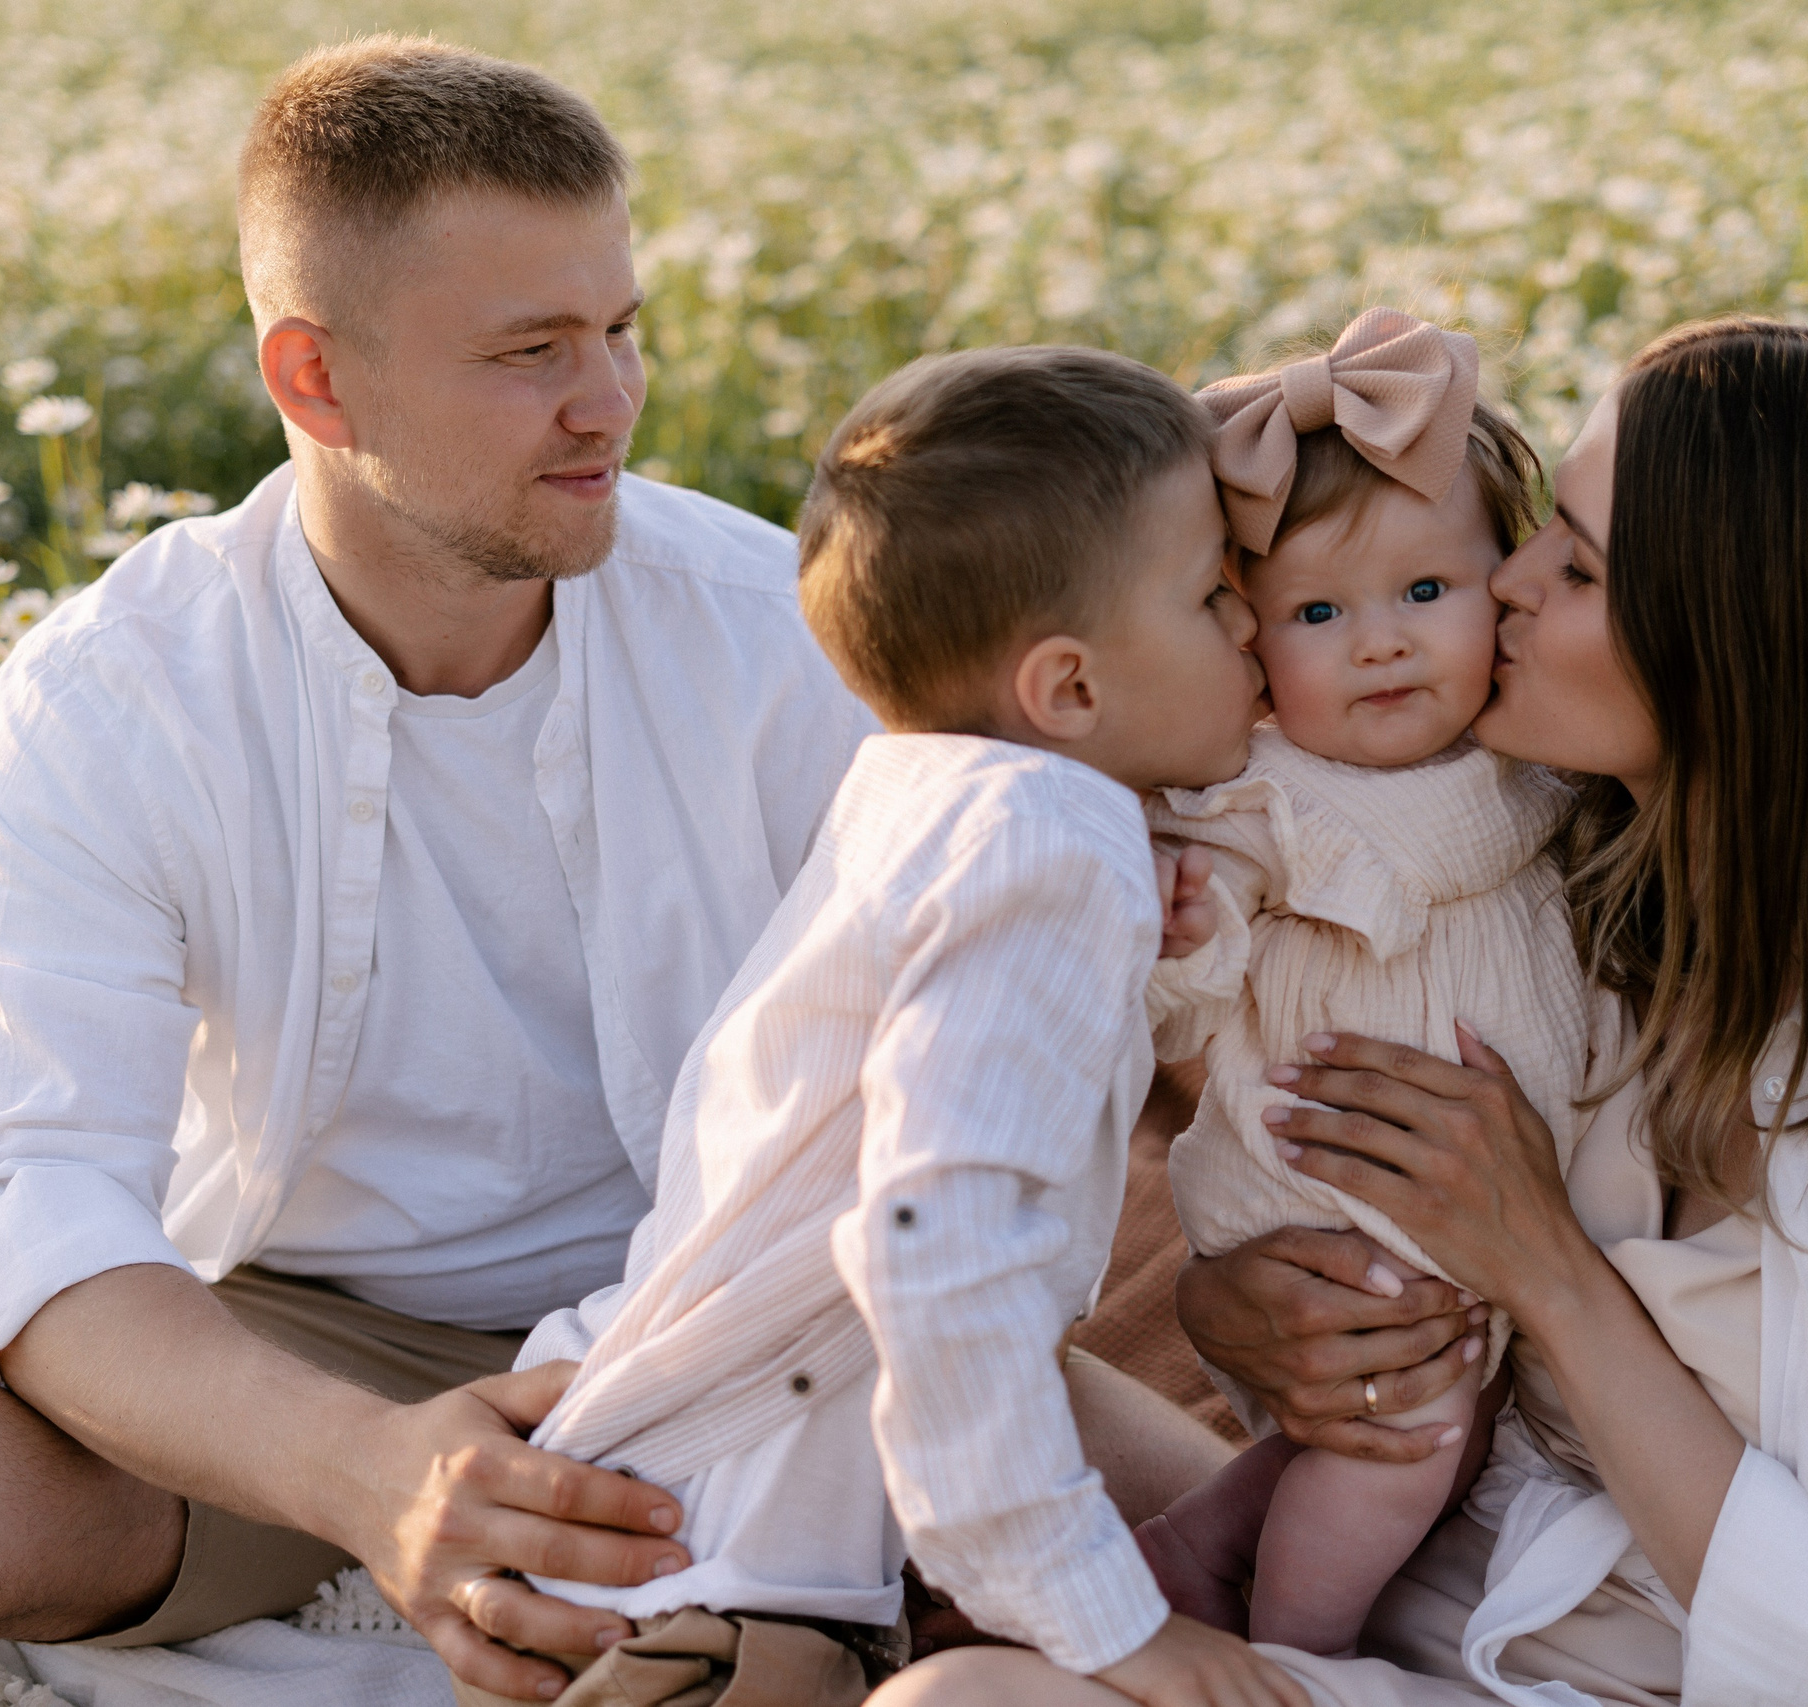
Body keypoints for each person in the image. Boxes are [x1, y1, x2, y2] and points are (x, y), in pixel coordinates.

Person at [0, 36, 901, 1704]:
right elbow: (32, 1194)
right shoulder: (118, 697)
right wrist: (369, 1472)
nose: (611, 401)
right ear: (316, 381)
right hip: (291, 1345)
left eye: (621, 330)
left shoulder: (785, 641)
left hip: (727, 1325)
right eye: (532, 351)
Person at [874, 317, 1808, 1707]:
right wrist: (1231, 1309)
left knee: (954, 1704)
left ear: (1737, 652)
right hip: (1398, 1552)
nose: (1504, 581)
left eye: (1575, 566)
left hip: (1571, 1679)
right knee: (902, 1371)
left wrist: (1552, 1274)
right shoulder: (1566, 888)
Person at [508, 346, 1305, 1707]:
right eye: (1211, 594)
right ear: (1068, 691)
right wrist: (1103, 1621)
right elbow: (936, 1249)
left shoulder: (923, 802)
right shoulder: (1053, 850)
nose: (1253, 625)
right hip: (724, 1599)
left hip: (654, 1485)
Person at [1131, 308, 1593, 1657]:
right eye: (1320, 614)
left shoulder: (1533, 760)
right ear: (1247, 642)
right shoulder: (1262, 798)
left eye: (1426, 593)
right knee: (1410, 1434)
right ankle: (1298, 1658)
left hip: (1459, 1209)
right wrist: (1185, 927)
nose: (1380, 643)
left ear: (1507, 582)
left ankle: (1198, 1548)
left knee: (1450, 1423)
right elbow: (1176, 998)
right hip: (1336, 1204)